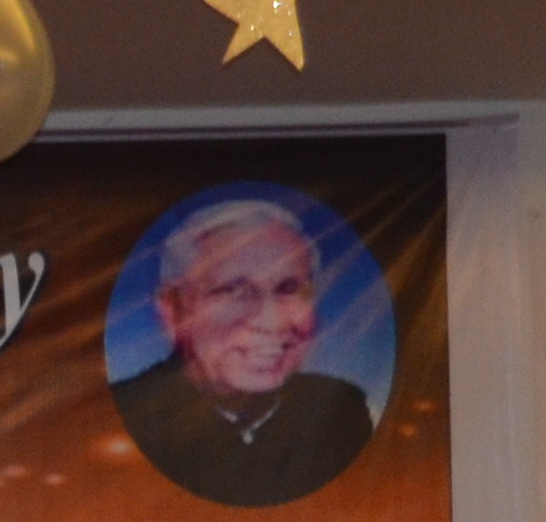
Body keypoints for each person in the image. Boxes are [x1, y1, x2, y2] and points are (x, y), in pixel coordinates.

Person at [111, 194, 376, 506]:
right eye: (235, 292)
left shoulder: (340, 412)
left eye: (289, 289)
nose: (273, 322)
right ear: (173, 311)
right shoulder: (123, 417)